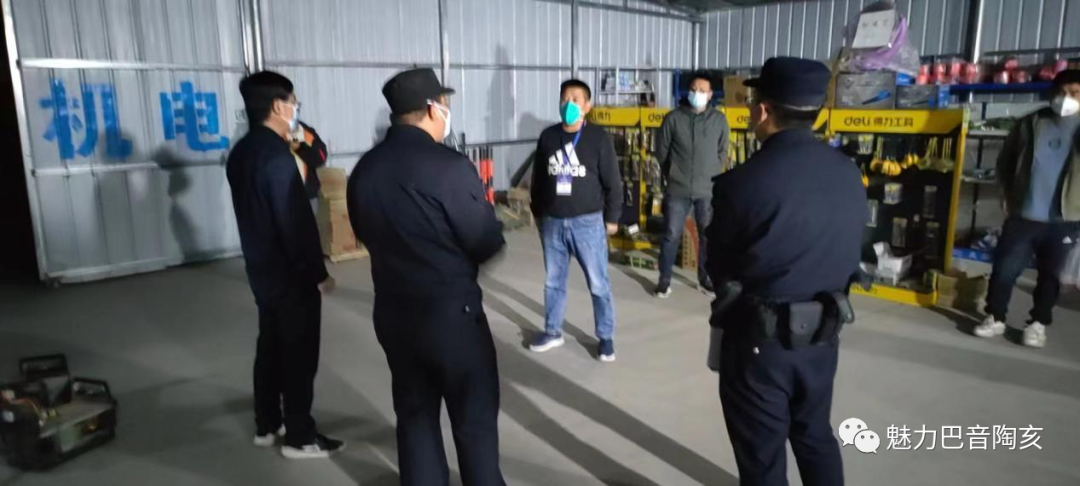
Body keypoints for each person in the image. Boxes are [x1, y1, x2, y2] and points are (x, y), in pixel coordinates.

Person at [706, 57, 866, 486]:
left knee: (762, 456)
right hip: (824, 337)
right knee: (815, 436)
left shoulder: (741, 183)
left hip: (761, 345)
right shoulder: (848, 174)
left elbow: (716, 268)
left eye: (753, 104)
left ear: (763, 111)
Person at [347, 68, 507, 486]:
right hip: (451, 318)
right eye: (445, 104)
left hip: (394, 314)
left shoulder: (365, 169)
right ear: (433, 109)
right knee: (473, 423)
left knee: (415, 418)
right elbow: (485, 240)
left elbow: (363, 231)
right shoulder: (448, 167)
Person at [227, 71, 344, 459]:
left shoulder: (241, 153)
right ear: (278, 106)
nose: (295, 109)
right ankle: (299, 436)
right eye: (293, 102)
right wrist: (318, 274)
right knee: (299, 355)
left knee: (271, 347)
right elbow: (294, 223)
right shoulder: (278, 158)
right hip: (291, 275)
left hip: (261, 269)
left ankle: (267, 423)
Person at [974, 70, 1080, 348]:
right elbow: (1005, 161)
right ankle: (995, 317)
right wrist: (1005, 193)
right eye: (1062, 92)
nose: (1066, 99)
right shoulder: (1030, 124)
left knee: (1050, 275)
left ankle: (1037, 324)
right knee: (1004, 269)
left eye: (1075, 93)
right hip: (1023, 214)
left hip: (1064, 218)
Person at [528, 79, 622, 362]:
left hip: (587, 223)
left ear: (587, 106)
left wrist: (612, 218)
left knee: (598, 283)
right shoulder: (548, 137)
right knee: (553, 282)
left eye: (576, 99)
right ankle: (552, 331)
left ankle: (605, 337)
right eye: (565, 98)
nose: (569, 104)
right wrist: (538, 213)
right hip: (553, 222)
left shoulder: (597, 138)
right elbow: (538, 179)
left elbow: (613, 182)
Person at [654, 72, 729, 298]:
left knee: (707, 235)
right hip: (678, 188)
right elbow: (662, 151)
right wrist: (673, 172)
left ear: (710, 95)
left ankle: (705, 278)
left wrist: (712, 172)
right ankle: (664, 280)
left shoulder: (719, 120)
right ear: (688, 91)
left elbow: (722, 151)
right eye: (694, 90)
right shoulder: (673, 118)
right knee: (671, 234)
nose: (698, 94)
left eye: (703, 91)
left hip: (707, 190)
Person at [290, 121, 329, 212]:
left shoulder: (299, 128)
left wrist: (299, 148)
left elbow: (321, 156)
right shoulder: (266, 131)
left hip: (307, 195)